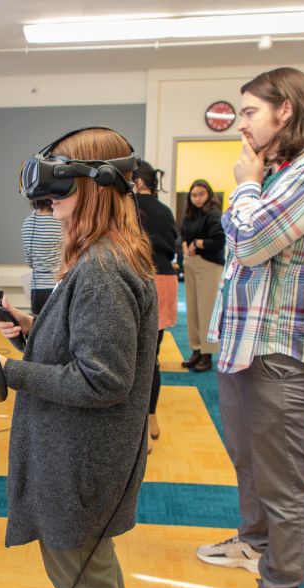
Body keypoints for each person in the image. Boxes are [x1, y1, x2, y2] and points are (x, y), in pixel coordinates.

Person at [0, 127, 157, 588]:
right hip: (91, 447)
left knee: (79, 570)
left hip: (85, 450)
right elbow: (84, 348)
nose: (52, 209)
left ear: (95, 189)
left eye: (60, 196)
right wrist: (29, 331)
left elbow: (103, 379)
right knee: (92, 562)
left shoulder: (101, 268)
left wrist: (7, 370)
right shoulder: (110, 255)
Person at [198, 67, 304, 588]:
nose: (240, 124)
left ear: (285, 111)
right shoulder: (277, 173)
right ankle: (253, 541)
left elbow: (249, 242)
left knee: (282, 478)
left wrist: (242, 183)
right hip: (246, 341)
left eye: (249, 112)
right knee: (245, 456)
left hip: (284, 347)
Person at [133, 159, 177, 442]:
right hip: (165, 280)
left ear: (136, 182)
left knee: (133, 356)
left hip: (140, 279)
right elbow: (172, 248)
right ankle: (151, 418)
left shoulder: (129, 207)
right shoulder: (165, 210)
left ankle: (136, 424)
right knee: (153, 356)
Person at [179, 179, 225, 373]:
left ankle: (207, 354)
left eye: (201, 194)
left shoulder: (213, 213)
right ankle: (196, 349)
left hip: (208, 265)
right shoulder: (190, 215)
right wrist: (182, 244)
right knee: (193, 311)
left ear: (209, 195)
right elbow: (182, 235)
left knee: (206, 312)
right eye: (194, 195)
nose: (197, 198)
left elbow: (219, 240)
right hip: (191, 265)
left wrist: (197, 244)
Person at [21, 198, 62, 314]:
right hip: (57, 285)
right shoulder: (60, 222)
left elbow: (30, 262)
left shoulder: (28, 223)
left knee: (38, 328)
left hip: (36, 289)